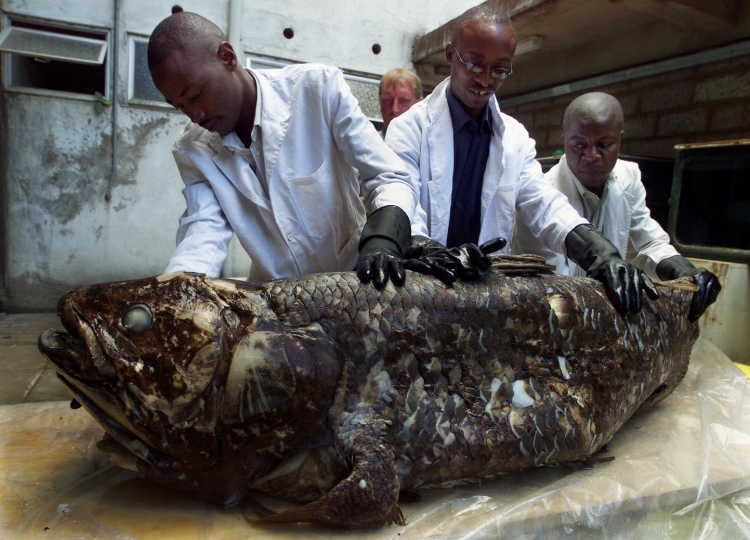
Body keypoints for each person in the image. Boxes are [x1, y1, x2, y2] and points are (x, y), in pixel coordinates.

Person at [384, 4, 659, 317]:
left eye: (500, 69)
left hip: (486, 296)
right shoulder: (409, 129)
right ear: (451, 55)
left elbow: (543, 205)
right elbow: (398, 198)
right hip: (422, 291)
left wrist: (601, 255)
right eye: (474, 65)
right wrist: (428, 250)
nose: (486, 80)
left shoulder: (514, 137)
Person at [147, 11, 422, 287]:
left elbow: (389, 176)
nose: (195, 115)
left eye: (195, 94)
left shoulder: (318, 90)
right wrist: (176, 297)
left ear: (227, 57)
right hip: (278, 299)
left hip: (354, 281)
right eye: (181, 106)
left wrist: (383, 239)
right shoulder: (194, 150)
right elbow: (201, 235)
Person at [513, 92, 721, 321]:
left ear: (620, 138)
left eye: (604, 144)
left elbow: (648, 242)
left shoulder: (628, 178)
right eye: (578, 145)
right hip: (554, 317)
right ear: (564, 140)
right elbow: (551, 282)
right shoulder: (541, 197)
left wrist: (683, 271)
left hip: (603, 319)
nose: (591, 156)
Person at [379, 69, 423, 137]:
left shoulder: (431, 146)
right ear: (380, 103)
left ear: (419, 105)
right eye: (387, 100)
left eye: (404, 101)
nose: (394, 109)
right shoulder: (366, 146)